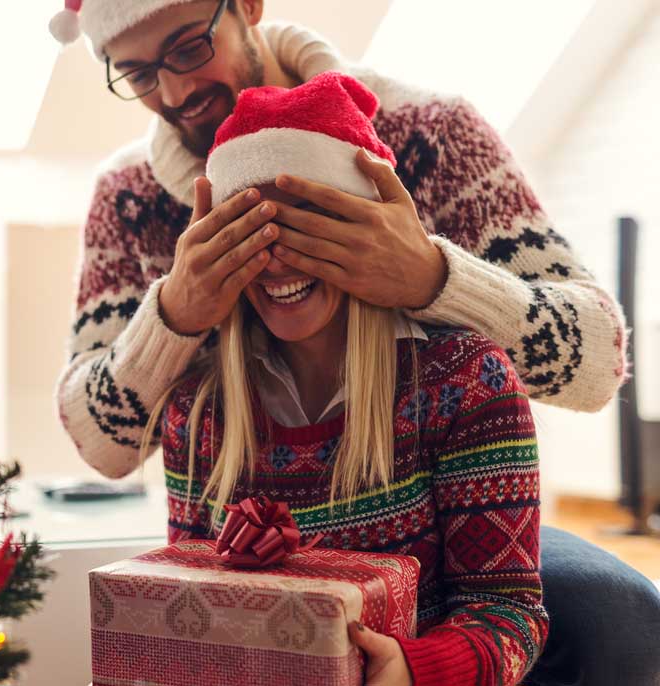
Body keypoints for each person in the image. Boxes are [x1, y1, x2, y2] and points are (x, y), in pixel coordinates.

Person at [50, 1, 660, 684]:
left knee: (610, 608)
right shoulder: (127, 200)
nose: (172, 93)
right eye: (135, 73)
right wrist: (174, 316)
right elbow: (101, 445)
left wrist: (433, 279)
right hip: (258, 484)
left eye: (190, 47)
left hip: (436, 498)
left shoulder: (433, 133)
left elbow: (599, 358)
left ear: (247, 7)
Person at [145, 70, 546, 685]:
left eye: (307, 222)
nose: (275, 256)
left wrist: (416, 670)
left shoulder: (465, 384)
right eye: (248, 229)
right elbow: (193, 606)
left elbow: (511, 613)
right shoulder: (196, 412)